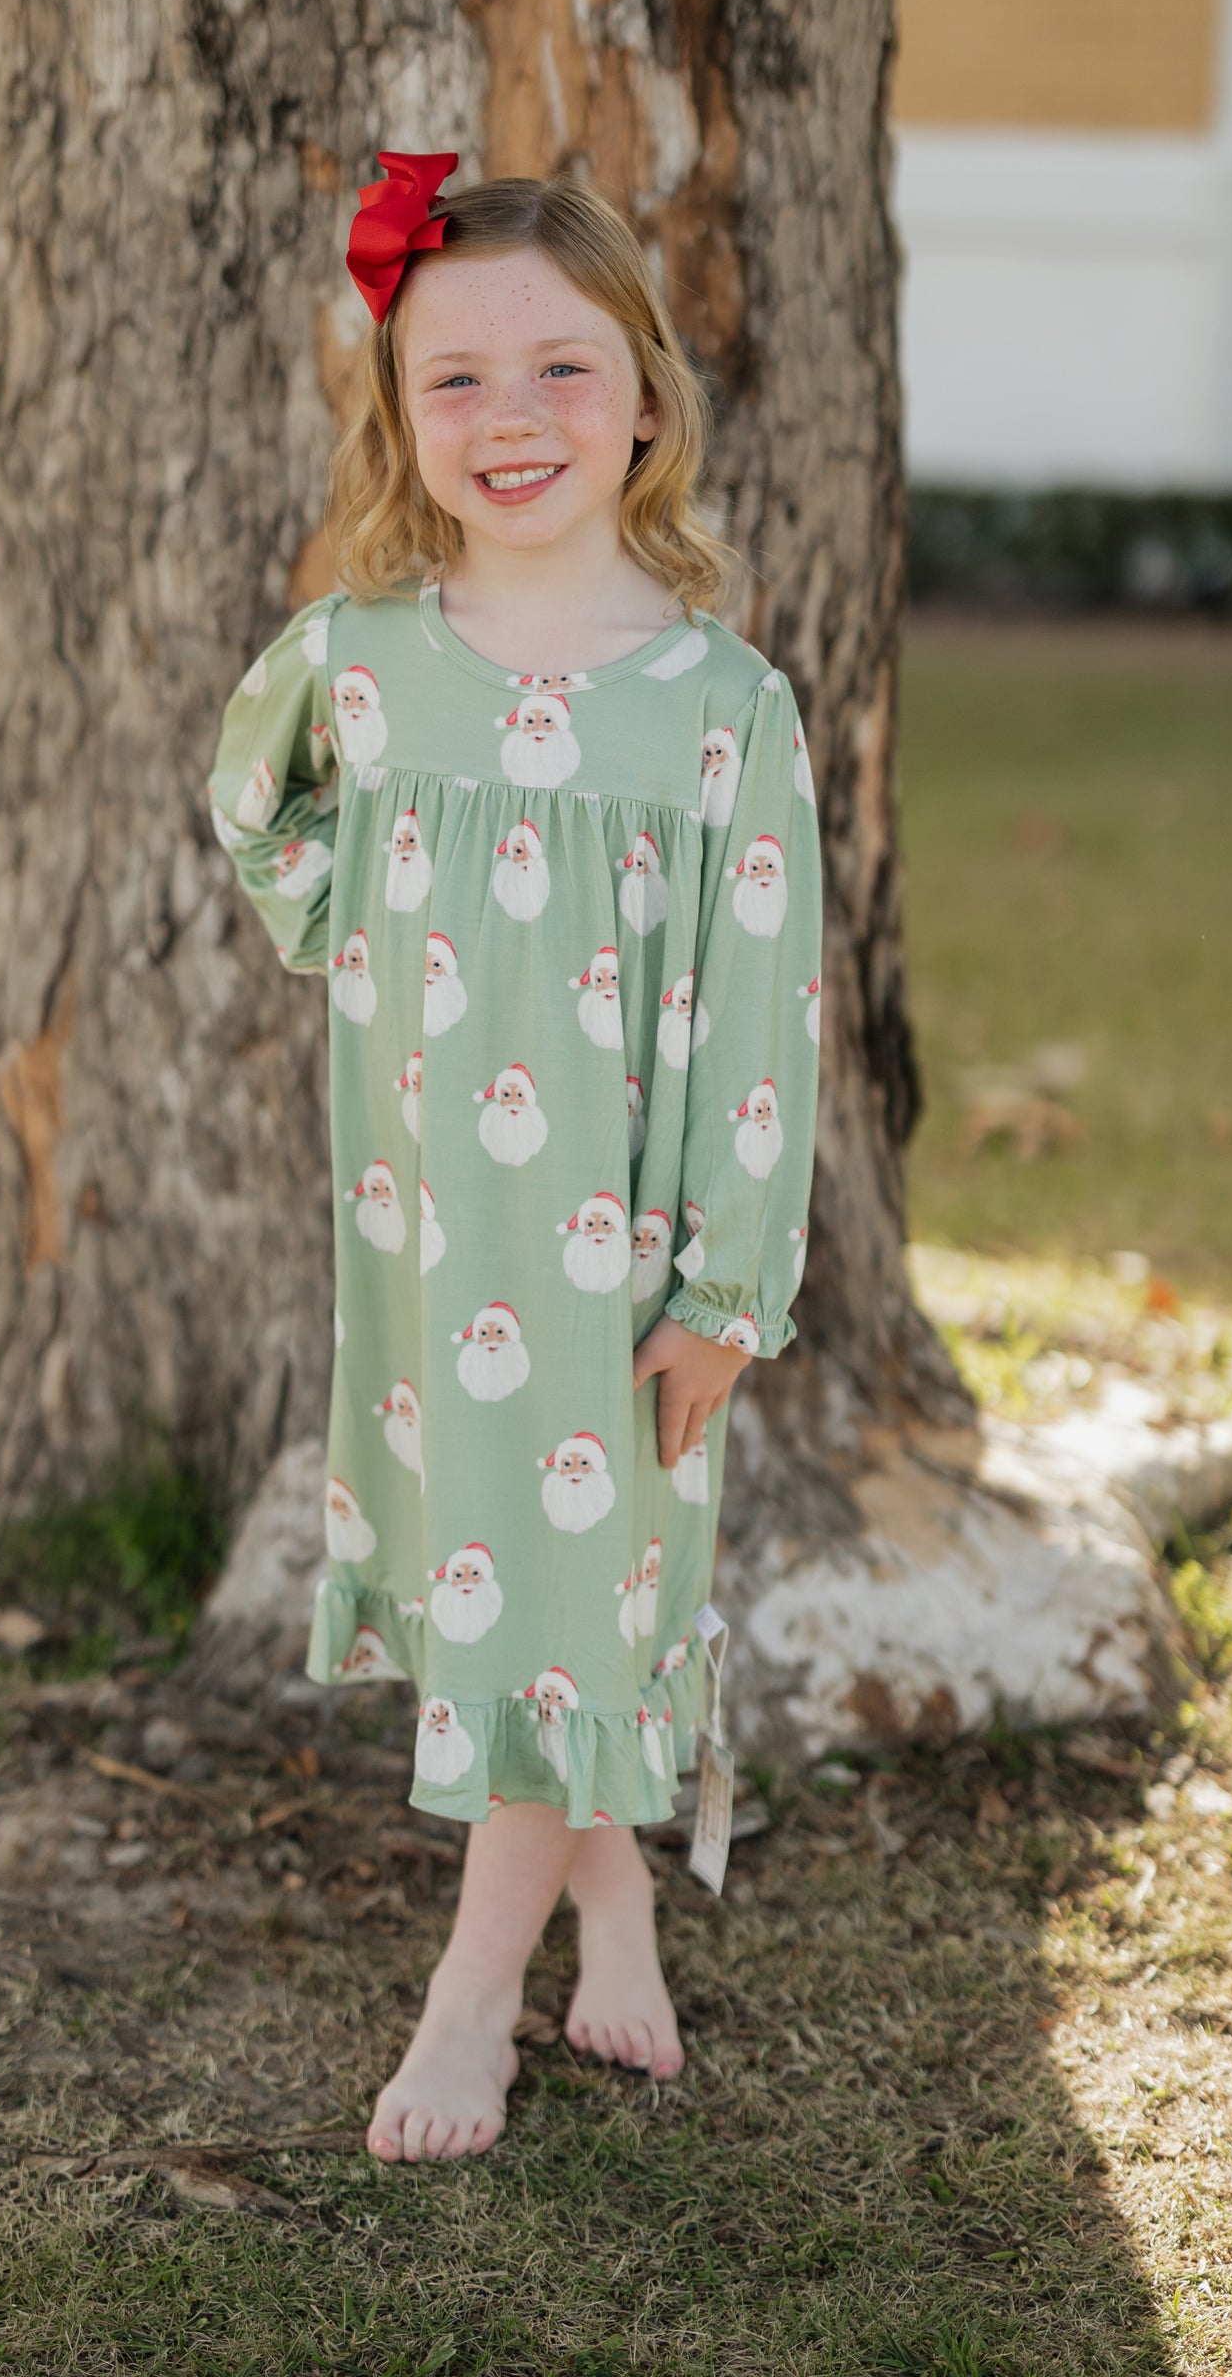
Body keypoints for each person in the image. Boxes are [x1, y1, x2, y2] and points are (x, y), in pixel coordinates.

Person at [207, 153, 822, 2164]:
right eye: (453, 379)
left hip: (628, 1239)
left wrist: (726, 1284)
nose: (511, 417)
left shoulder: (719, 703)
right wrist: (355, 919)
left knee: (592, 1567)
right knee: (510, 1580)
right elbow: (254, 799)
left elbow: (762, 1012)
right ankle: (608, 1872)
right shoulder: (365, 660)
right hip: (426, 1226)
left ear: (645, 391)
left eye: (559, 365)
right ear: (400, 416)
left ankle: (474, 1983)